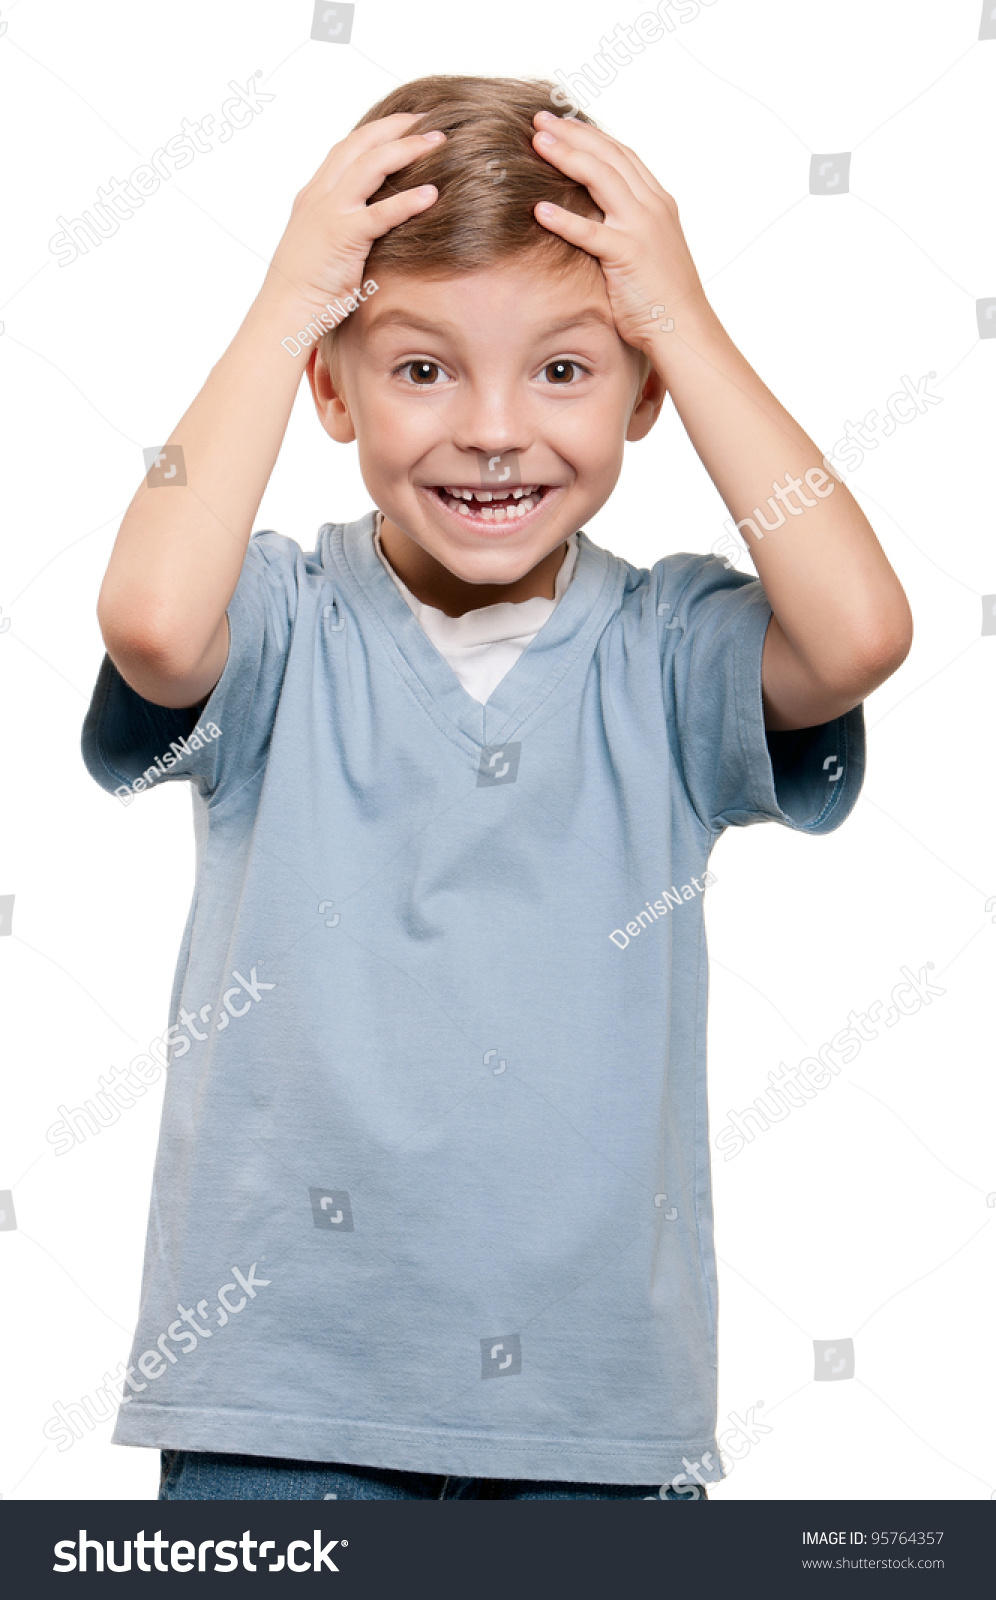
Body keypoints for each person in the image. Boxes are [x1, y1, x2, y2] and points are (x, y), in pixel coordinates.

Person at [82, 75, 912, 1502]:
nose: (492, 428)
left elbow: (860, 634)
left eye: (565, 370)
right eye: (420, 369)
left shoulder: (669, 648)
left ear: (646, 391)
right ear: (329, 389)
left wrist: (687, 323)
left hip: (594, 1435)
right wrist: (291, 293)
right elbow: (152, 622)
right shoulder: (281, 623)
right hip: (280, 1415)